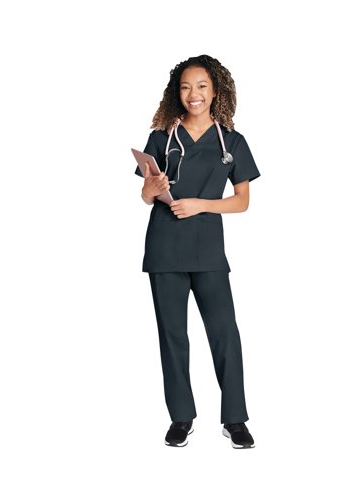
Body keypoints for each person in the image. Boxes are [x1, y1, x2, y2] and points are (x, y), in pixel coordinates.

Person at [134, 55, 260, 449]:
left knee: (225, 334)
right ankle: (181, 417)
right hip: (164, 249)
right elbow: (145, 195)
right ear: (178, 92)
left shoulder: (232, 142)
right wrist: (151, 190)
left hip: (207, 252)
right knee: (172, 336)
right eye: (186, 86)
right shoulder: (162, 138)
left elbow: (242, 201)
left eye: (202, 86)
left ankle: (235, 419)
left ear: (215, 91)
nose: (194, 94)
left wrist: (201, 205)